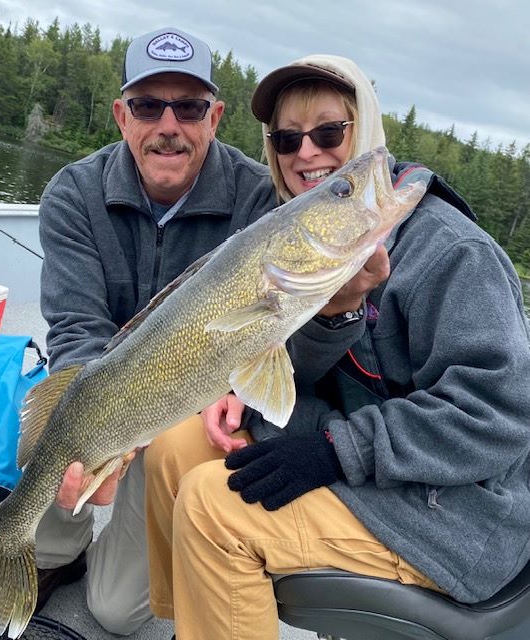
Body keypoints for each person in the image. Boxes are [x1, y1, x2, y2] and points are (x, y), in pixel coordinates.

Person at [143, 54, 530, 639]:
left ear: (367, 134)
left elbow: (500, 417)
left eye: (329, 132)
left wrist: (333, 451)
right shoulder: (310, 243)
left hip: (458, 514)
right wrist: (244, 394)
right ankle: (199, 625)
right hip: (368, 468)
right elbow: (302, 374)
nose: (306, 154)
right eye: (286, 138)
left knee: (211, 504)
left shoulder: (452, 254)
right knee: (176, 446)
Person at [34, 26, 281, 634]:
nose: (168, 124)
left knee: (114, 612)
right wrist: (109, 440)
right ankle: (53, 552)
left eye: (189, 107)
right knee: (41, 489)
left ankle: (104, 558)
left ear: (215, 117)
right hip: (104, 395)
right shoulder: (74, 194)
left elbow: (274, 330)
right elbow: (74, 327)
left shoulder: (259, 201)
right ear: (122, 116)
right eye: (148, 105)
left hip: (185, 414)